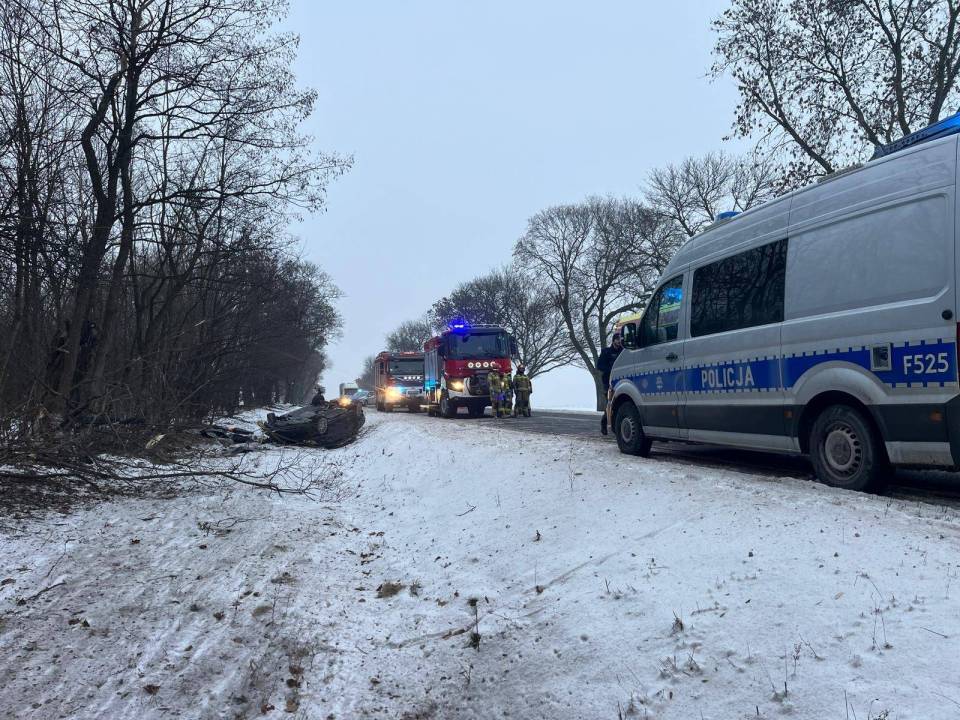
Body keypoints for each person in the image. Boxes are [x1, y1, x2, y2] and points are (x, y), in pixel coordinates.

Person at [596, 334, 623, 435]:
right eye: (617, 339)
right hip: (608, 381)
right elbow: (599, 365)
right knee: (610, 403)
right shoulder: (606, 352)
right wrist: (610, 370)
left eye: (620, 339)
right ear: (613, 340)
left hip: (621, 380)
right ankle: (604, 423)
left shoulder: (623, 352)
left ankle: (617, 427)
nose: (619, 341)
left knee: (619, 404)